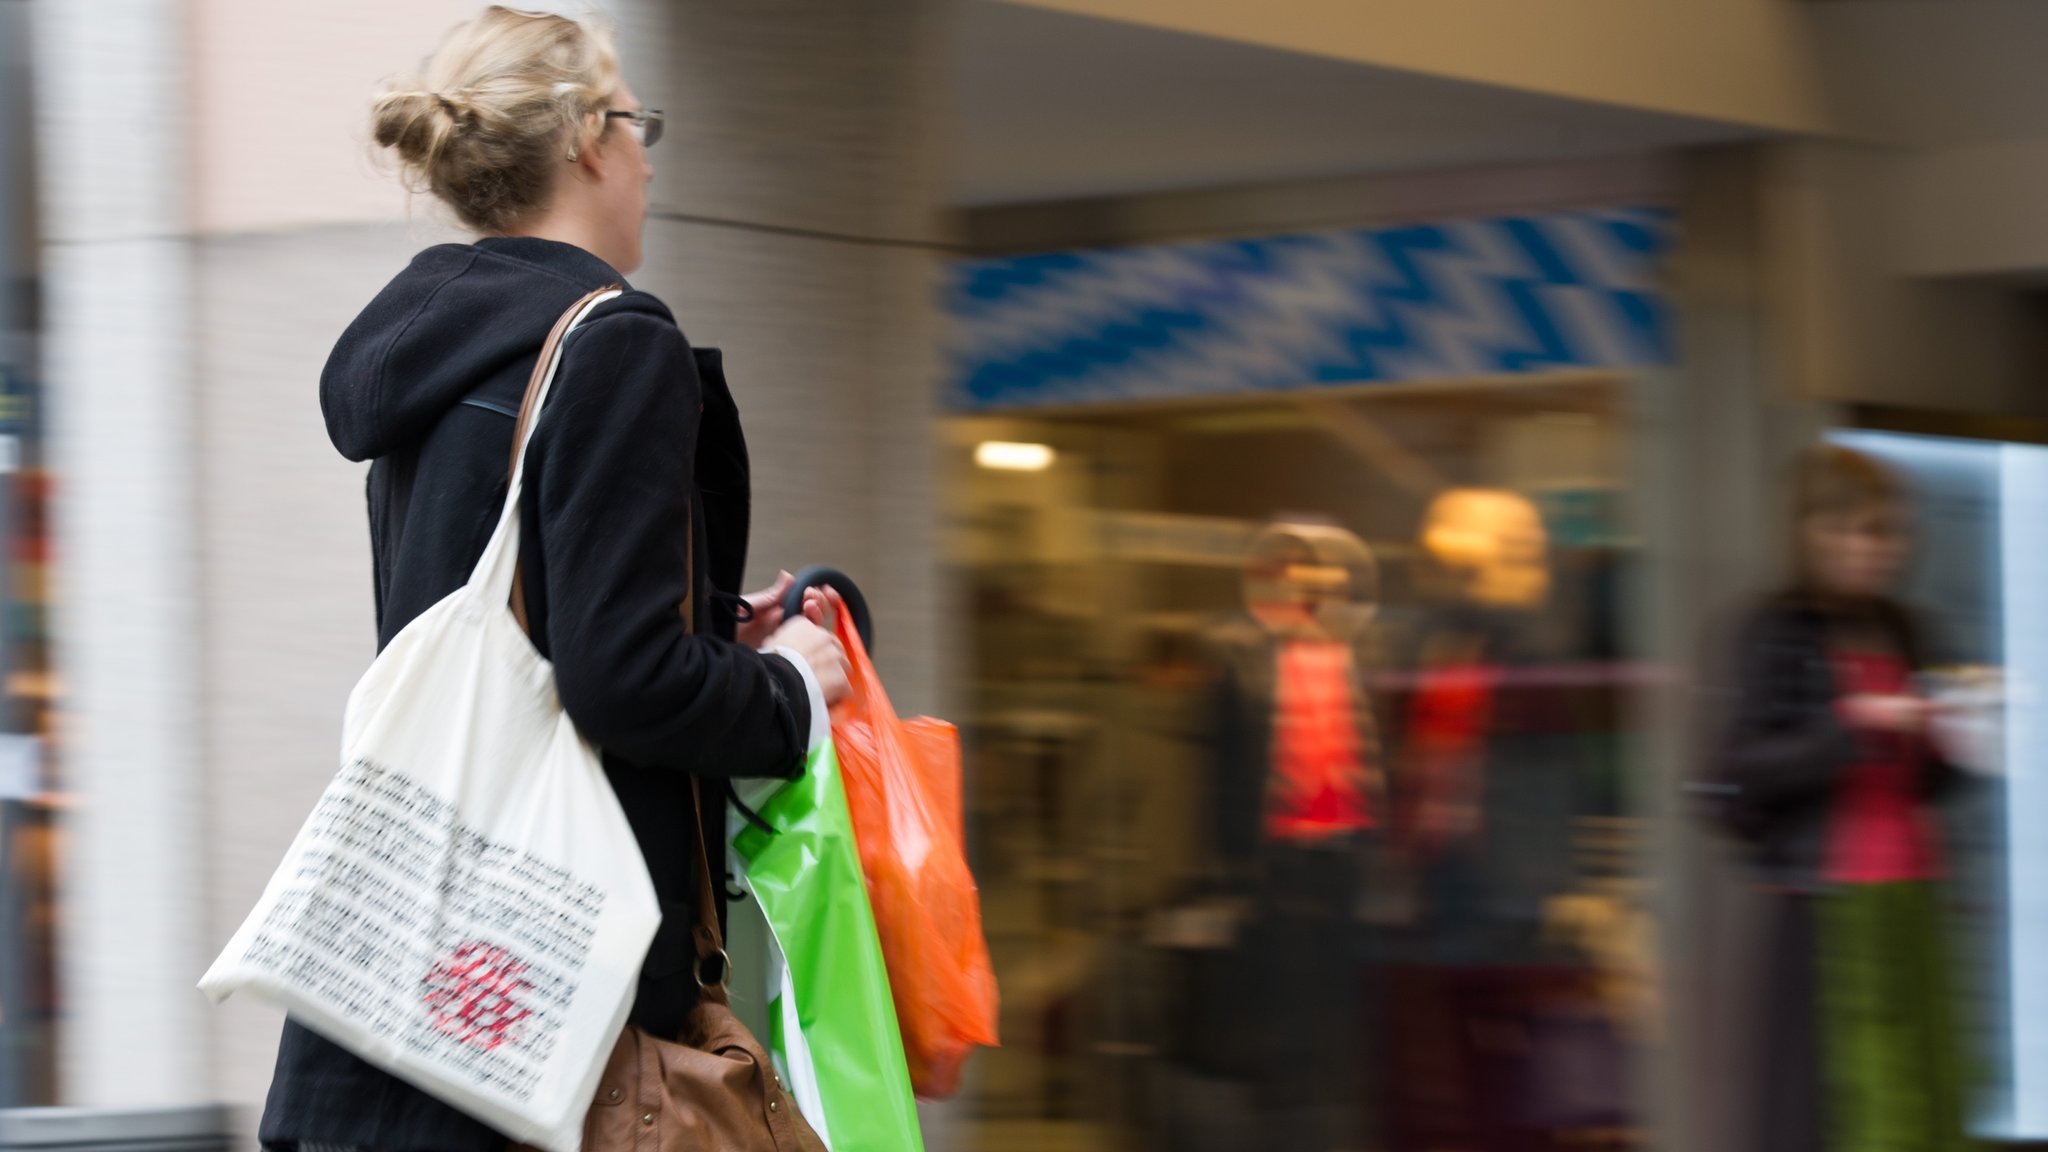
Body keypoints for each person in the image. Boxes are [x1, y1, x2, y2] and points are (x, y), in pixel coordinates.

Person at [259, 8, 851, 1150]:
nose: (642, 157)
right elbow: (619, 679)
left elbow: (513, 610)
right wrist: (786, 688)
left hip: (413, 975)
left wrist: (709, 624)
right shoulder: (611, 340)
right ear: (588, 138)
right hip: (559, 997)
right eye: (638, 127)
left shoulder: (430, 352)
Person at [1708, 444, 1969, 1152]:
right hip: (1822, 900)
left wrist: (1954, 734)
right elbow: (1738, 773)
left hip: (1909, 889)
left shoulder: (1906, 629)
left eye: (1885, 532)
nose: (1872, 550)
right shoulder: (1774, 631)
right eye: (1851, 530)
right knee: (1838, 1107)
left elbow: (1929, 782)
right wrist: (1854, 722)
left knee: (1924, 1095)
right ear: (1808, 533)